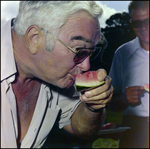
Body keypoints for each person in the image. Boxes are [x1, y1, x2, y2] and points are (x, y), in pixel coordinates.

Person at [1, 1, 114, 148]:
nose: (86, 66)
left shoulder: (52, 75)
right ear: (35, 38)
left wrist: (93, 106)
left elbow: (79, 128)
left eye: (90, 53)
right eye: (79, 50)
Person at [108, 1, 149, 148]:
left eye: (148, 21)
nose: (143, 28)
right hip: (133, 129)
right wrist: (124, 99)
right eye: (137, 23)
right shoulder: (122, 53)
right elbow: (110, 103)